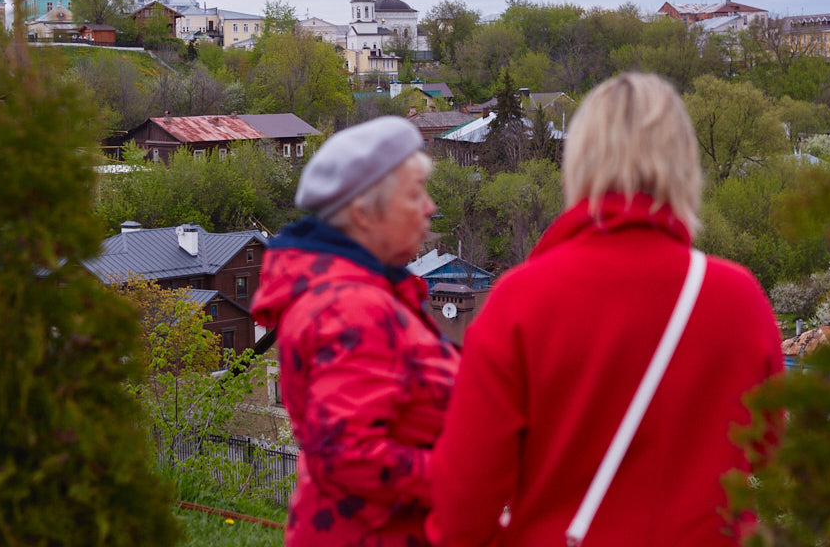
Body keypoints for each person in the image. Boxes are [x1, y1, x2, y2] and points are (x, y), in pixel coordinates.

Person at [430, 73, 784, 546]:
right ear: (684, 166)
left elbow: (463, 508)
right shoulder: (739, 299)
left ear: (580, 163)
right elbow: (763, 450)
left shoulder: (521, 301)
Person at [253, 116, 460, 547]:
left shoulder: (360, 294)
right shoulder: (350, 308)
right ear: (365, 213)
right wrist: (467, 479)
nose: (430, 207)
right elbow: (347, 454)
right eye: (415, 194)